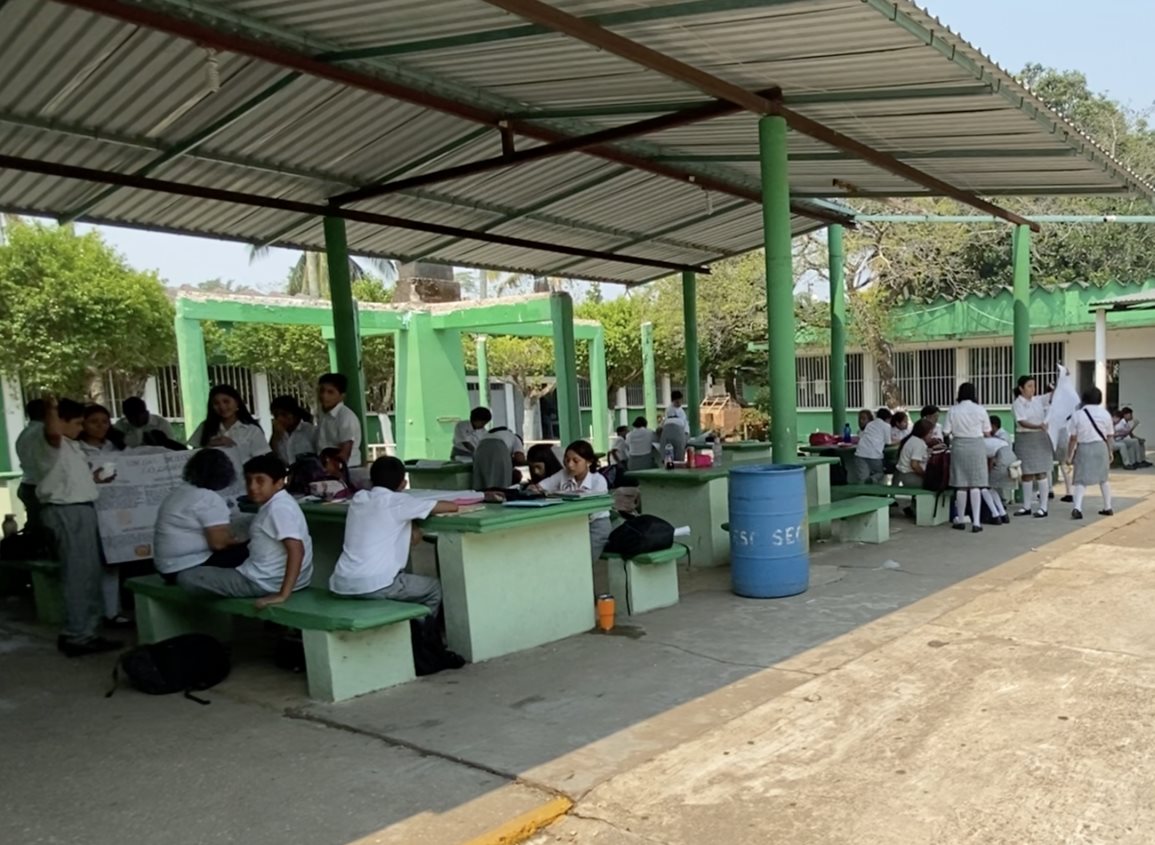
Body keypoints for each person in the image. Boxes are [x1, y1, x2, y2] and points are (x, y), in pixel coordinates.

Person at [36, 395, 120, 656]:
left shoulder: (71, 446)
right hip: (67, 512)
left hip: (80, 509)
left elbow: (69, 477)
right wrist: (51, 408)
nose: (81, 428)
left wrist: (93, 479)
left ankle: (87, 631)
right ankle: (77, 635)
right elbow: (52, 432)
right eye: (77, 422)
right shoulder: (53, 441)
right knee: (78, 575)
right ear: (59, 421)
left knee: (88, 573)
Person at [180, 453, 312, 606]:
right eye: (249, 481)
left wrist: (283, 595)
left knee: (187, 578)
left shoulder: (278, 509)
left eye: (260, 481)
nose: (253, 487)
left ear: (279, 483)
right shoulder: (280, 503)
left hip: (264, 582)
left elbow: (297, 550)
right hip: (280, 580)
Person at [330, 456, 456, 613]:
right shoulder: (399, 501)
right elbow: (450, 507)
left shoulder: (359, 498)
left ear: (371, 480)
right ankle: (424, 633)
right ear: (403, 483)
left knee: (406, 583)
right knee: (434, 588)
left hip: (341, 583)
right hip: (376, 585)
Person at [154, 448, 248, 585]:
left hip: (166, 567)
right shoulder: (207, 497)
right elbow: (219, 544)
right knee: (255, 548)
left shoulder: (179, 492)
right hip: (187, 566)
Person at [532, 440, 612, 564]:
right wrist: (533, 489)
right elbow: (540, 487)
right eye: (566, 460)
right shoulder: (563, 474)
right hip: (571, 524)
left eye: (576, 461)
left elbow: (593, 511)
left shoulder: (598, 481)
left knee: (582, 563)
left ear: (589, 462)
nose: (570, 465)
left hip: (595, 526)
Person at [944, 382, 992, 534]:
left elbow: (946, 431)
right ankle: (976, 522)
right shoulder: (980, 410)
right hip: (977, 445)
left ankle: (961, 519)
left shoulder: (953, 410)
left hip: (959, 445)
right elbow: (987, 431)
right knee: (976, 484)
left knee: (961, 483)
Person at [188, 384, 269, 465]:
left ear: (237, 402)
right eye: (216, 403)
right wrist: (208, 448)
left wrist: (233, 447)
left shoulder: (252, 430)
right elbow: (193, 457)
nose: (222, 407)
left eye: (226, 401)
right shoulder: (205, 427)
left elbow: (261, 462)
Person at [1068, 387, 1114, 520]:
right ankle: (1108, 507)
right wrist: (1110, 451)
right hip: (1101, 447)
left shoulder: (1078, 415)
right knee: (1103, 479)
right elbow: (1110, 435)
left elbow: (1073, 438)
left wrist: (1069, 455)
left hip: (1084, 447)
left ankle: (1077, 508)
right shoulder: (1105, 414)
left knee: (1080, 479)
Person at [1012, 376, 1053, 518]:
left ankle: (1043, 507)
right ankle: (1027, 506)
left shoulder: (1038, 400)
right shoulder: (1017, 403)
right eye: (1029, 386)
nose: (1032, 389)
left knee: (1041, 472)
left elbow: (1053, 396)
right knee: (1027, 473)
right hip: (1025, 437)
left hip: (1040, 437)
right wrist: (1038, 426)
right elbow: (1022, 422)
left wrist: (1060, 382)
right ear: (1021, 388)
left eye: (1034, 386)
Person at [315, 373, 362, 468]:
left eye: (330, 392)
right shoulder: (322, 413)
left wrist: (334, 471)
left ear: (342, 396)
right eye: (322, 391)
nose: (324, 395)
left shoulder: (346, 417)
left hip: (345, 469)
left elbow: (345, 452)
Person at [15, 399, 46, 530]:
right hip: (39, 488)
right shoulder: (44, 434)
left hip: (27, 484)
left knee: (35, 526)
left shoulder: (24, 434)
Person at [269, 395, 316, 466]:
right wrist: (275, 436)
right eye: (276, 416)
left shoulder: (309, 431)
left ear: (294, 414)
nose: (280, 419)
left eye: (284, 414)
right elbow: (272, 459)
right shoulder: (278, 436)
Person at [854, 408, 892, 484]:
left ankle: (863, 492)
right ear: (888, 418)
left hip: (860, 453)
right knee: (880, 473)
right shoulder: (886, 426)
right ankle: (872, 479)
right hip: (875, 455)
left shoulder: (869, 424)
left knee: (862, 477)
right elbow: (888, 442)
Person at [894, 418, 934, 490]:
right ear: (923, 432)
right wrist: (925, 475)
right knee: (933, 484)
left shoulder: (912, 439)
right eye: (930, 433)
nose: (932, 435)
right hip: (910, 476)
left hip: (901, 475)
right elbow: (914, 465)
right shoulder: (919, 443)